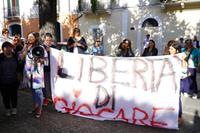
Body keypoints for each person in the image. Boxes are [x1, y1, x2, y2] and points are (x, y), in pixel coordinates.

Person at [22, 32, 47, 118]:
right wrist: (25, 49)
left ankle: (40, 109)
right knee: (33, 91)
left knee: (38, 91)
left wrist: (41, 60)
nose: (30, 38)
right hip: (29, 73)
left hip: (37, 74)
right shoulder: (27, 47)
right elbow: (22, 57)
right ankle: (36, 106)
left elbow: (46, 61)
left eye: (32, 37)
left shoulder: (40, 47)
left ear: (35, 38)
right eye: (28, 37)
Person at [0, 41, 19, 116]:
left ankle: (14, 108)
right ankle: (7, 108)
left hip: (14, 80)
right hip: (2, 81)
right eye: (6, 47)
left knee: (14, 95)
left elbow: (18, 68)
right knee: (5, 96)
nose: (8, 49)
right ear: (3, 49)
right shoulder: (0, 57)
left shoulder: (15, 56)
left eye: (10, 47)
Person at [166, 41, 183, 124]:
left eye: (172, 49)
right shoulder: (167, 57)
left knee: (177, 98)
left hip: (177, 82)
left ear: (177, 50)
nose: (170, 50)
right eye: (169, 48)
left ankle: (179, 116)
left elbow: (184, 71)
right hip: (169, 81)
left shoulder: (181, 58)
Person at [42, 33, 56, 106]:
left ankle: (51, 98)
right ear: (44, 40)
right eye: (47, 40)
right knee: (46, 85)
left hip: (53, 69)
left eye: (50, 40)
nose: (48, 42)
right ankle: (46, 99)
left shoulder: (53, 47)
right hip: (45, 69)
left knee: (52, 84)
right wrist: (46, 51)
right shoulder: (41, 47)